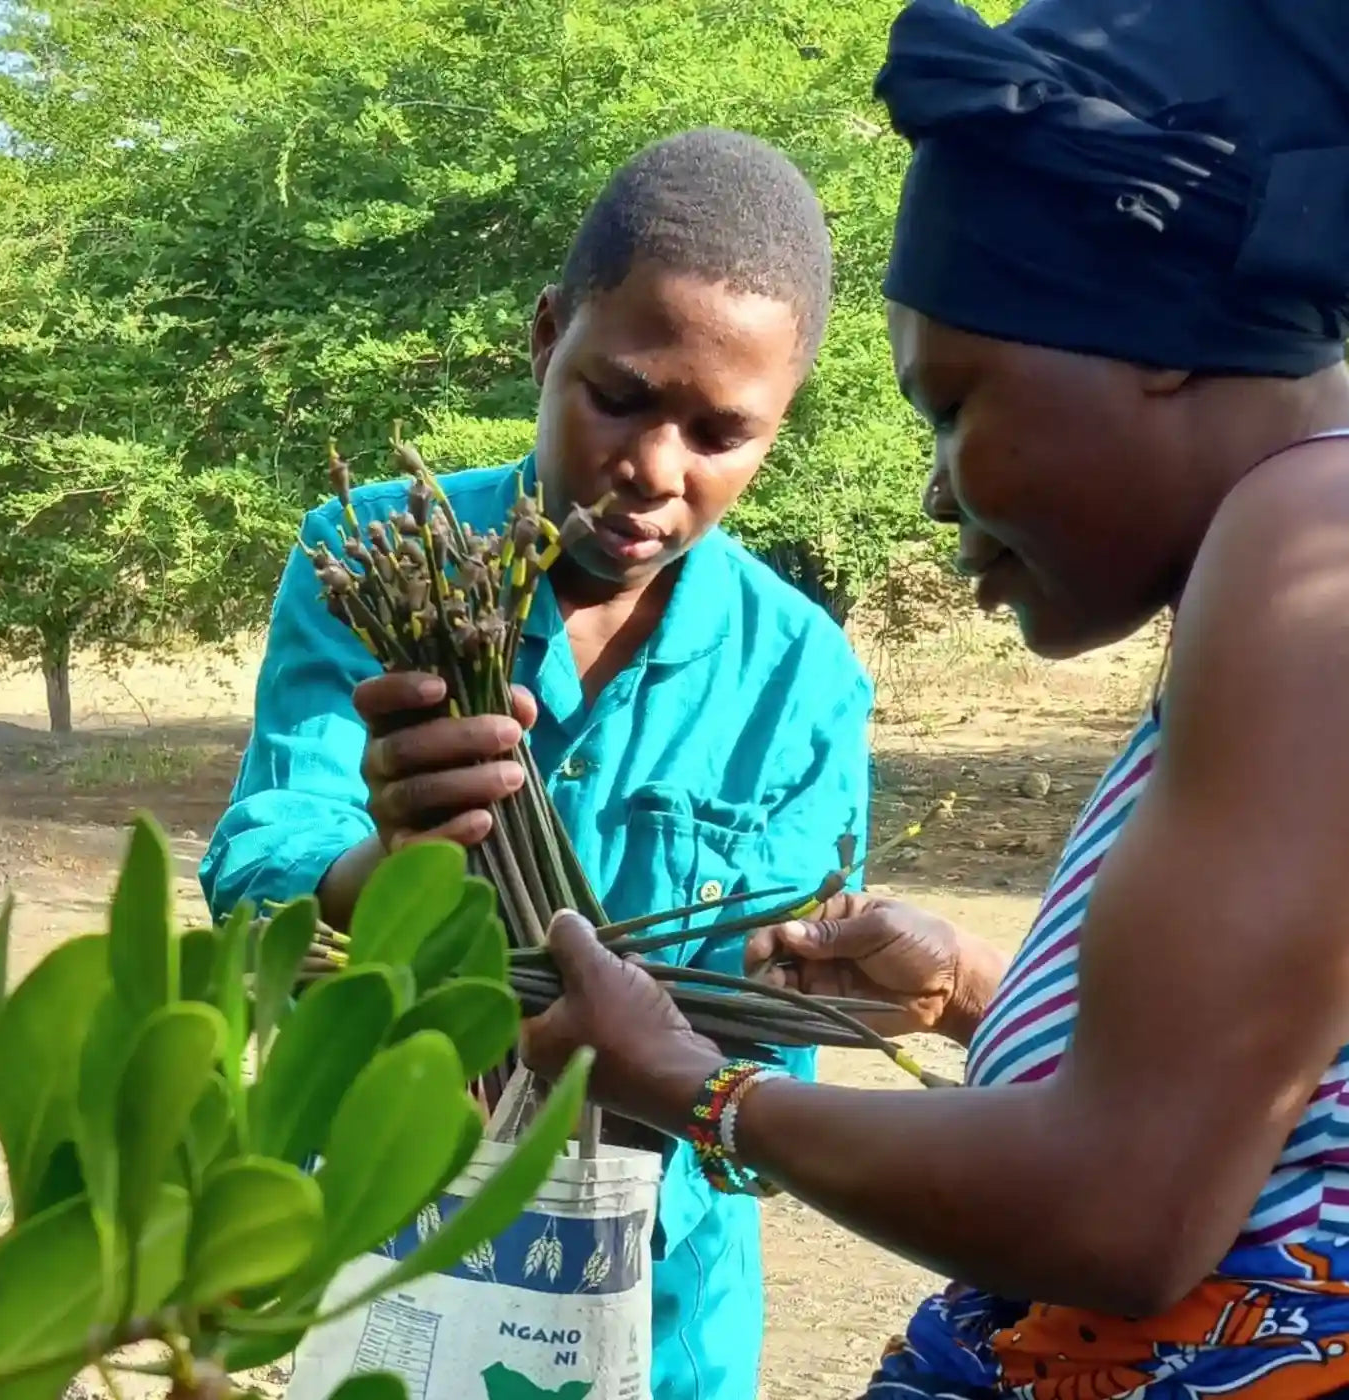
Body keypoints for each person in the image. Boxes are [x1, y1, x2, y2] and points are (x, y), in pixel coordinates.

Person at [518, 2, 1349, 1397]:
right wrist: (975, 993)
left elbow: (1125, 1212)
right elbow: (1255, 1109)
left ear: (1152, 337)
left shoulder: (1311, 541)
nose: (936, 485)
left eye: (956, 403)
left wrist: (695, 1087)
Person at [199, 127, 872, 1400]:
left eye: (720, 431)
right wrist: (381, 865)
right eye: (617, 395)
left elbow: (768, 1071)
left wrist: (667, 1067)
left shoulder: (804, 677)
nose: (653, 472)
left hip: (658, 1321)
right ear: (544, 333)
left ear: (776, 431)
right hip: (385, 1243)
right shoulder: (375, 554)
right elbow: (256, 870)